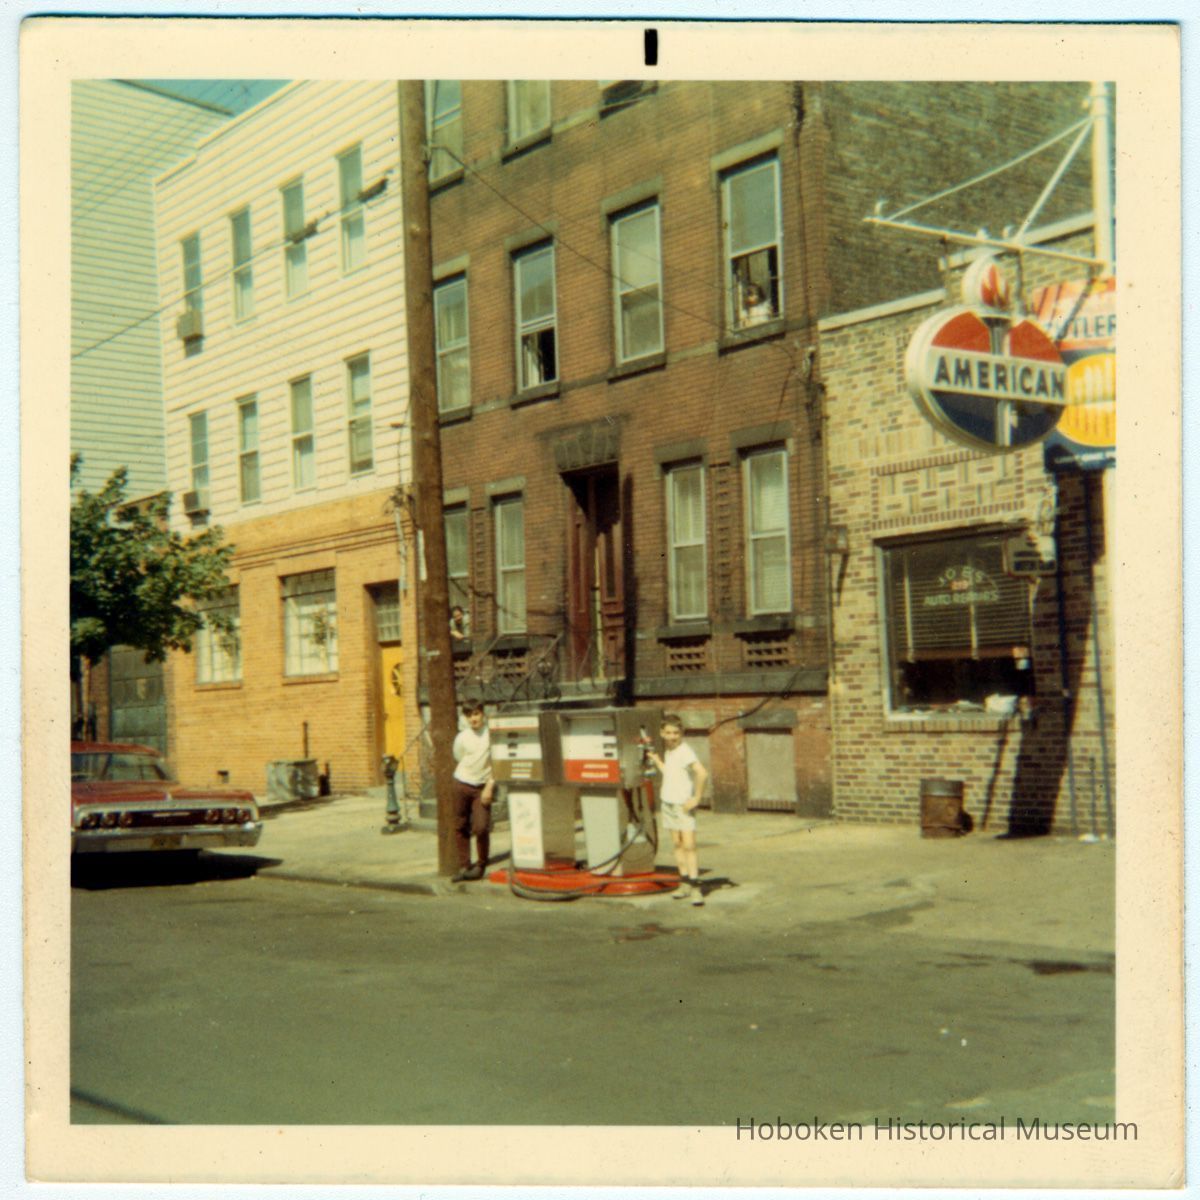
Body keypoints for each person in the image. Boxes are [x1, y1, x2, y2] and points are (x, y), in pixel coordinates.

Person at [648, 714, 709, 906]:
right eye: (668, 732)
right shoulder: (668, 750)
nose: (672, 736)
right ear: (661, 733)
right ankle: (684, 883)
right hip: (668, 802)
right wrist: (657, 762)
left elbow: (702, 773)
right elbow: (672, 773)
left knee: (689, 845)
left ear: (681, 733)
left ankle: (695, 887)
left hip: (683, 804)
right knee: (677, 844)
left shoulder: (685, 751)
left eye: (675, 732)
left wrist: (696, 798)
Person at [451, 701, 493, 882]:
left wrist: (489, 787)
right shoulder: (462, 737)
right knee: (460, 825)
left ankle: (481, 864)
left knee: (481, 827)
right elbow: (459, 756)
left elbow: (497, 764)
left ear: (483, 714)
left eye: (476, 714)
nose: (473, 718)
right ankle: (464, 866)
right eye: (469, 715)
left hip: (482, 787)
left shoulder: (491, 734)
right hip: (462, 783)